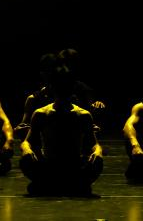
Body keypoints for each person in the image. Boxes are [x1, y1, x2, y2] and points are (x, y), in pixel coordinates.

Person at [19, 65, 103, 196]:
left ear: (72, 88)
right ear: (53, 88)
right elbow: (27, 141)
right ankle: (59, 184)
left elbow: (94, 143)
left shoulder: (83, 115)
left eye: (66, 86)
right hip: (50, 166)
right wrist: (26, 149)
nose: (63, 90)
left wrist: (98, 151)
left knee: (97, 162)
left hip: (73, 166)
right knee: (26, 160)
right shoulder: (41, 114)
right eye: (60, 86)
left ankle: (57, 185)